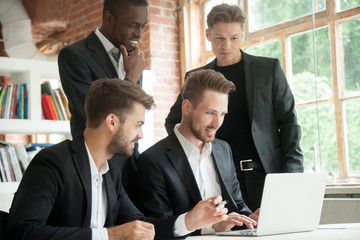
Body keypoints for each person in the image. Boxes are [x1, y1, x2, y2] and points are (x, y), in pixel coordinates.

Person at [6, 79, 229, 240]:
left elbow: (142, 227)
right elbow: (22, 232)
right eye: (138, 124)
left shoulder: (111, 170)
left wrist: (190, 220)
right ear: (112, 122)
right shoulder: (52, 163)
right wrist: (109, 235)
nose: (141, 135)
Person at [165, 3, 303, 212]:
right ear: (207, 34)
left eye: (234, 38)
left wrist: (291, 176)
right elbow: (173, 123)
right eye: (219, 38)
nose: (226, 45)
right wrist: (196, 156)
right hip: (218, 177)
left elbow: (289, 124)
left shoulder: (269, 69)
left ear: (243, 34)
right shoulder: (196, 78)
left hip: (267, 176)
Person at [135, 69, 259, 236]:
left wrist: (250, 219)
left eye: (222, 114)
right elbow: (158, 228)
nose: (217, 123)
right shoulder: (152, 161)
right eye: (210, 113)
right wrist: (212, 227)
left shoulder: (223, 149)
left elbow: (237, 204)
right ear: (186, 107)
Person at [58, 0, 149, 197]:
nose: (139, 34)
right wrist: (131, 79)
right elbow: (98, 116)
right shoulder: (74, 56)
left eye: (143, 26)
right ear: (108, 18)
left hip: (131, 165)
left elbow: (136, 114)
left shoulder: (133, 58)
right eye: (133, 25)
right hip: (93, 169)